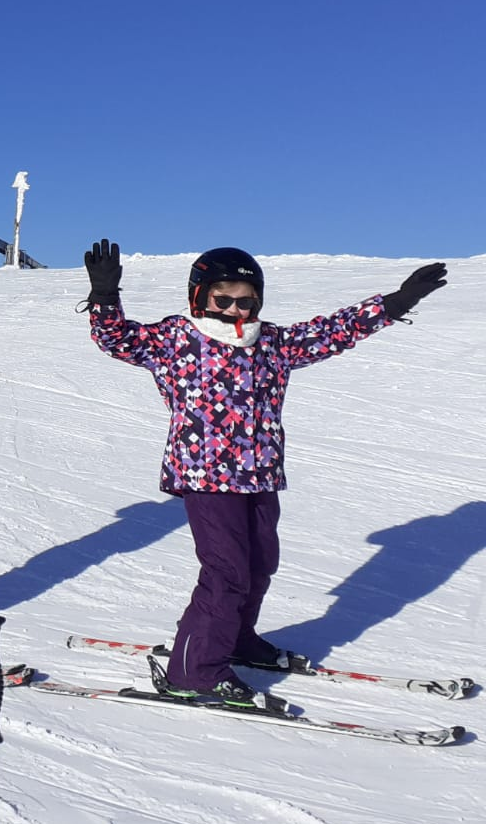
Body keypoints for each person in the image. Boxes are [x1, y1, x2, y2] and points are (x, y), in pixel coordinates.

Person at [83, 240, 450, 702]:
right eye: (224, 298)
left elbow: (332, 331)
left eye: (246, 299)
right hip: (205, 476)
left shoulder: (272, 343)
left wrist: (397, 302)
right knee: (226, 571)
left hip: (260, 473)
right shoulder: (176, 338)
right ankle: (193, 671)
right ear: (200, 296)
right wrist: (104, 295)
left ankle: (235, 638)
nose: (236, 307)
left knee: (259, 565)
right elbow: (116, 340)